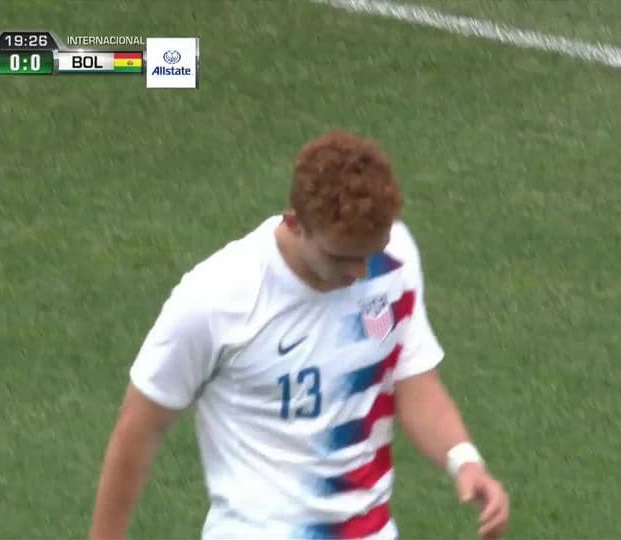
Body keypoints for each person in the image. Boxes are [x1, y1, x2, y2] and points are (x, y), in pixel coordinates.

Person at [89, 130, 510, 540]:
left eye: (370, 254)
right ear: (294, 223)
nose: (360, 273)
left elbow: (411, 379)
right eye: (341, 258)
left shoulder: (393, 256)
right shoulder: (218, 299)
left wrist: (464, 460)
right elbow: (140, 427)